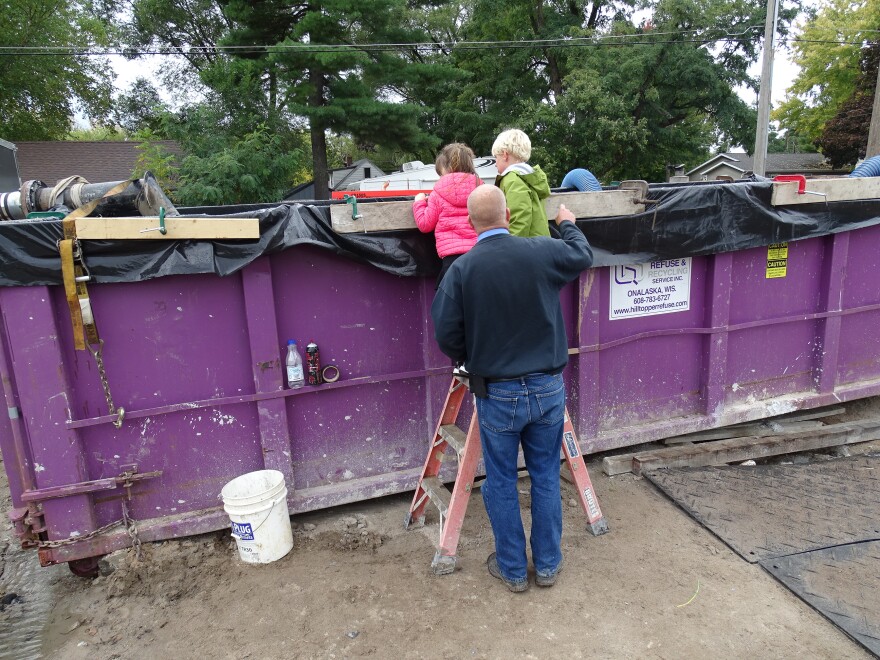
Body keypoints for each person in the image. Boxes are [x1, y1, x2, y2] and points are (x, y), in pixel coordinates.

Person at [431, 185, 593, 592]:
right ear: (507, 216)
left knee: (501, 481)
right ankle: (549, 565)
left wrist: (470, 357)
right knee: (544, 475)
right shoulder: (540, 250)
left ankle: (514, 571)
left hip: (497, 394)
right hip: (547, 390)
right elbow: (581, 255)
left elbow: (446, 334)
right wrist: (568, 225)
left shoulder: (462, 270)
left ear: (470, 224)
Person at [412, 143, 483, 286]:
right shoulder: (481, 189)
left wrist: (419, 203)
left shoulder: (437, 193)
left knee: (449, 301)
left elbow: (425, 224)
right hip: (479, 255)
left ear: (447, 169)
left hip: (451, 260)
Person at [492, 129, 551, 237]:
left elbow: (520, 216)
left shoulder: (512, 179)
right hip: (539, 243)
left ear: (505, 155)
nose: (495, 163)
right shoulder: (528, 177)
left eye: (496, 157)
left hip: (526, 247)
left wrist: (511, 246)